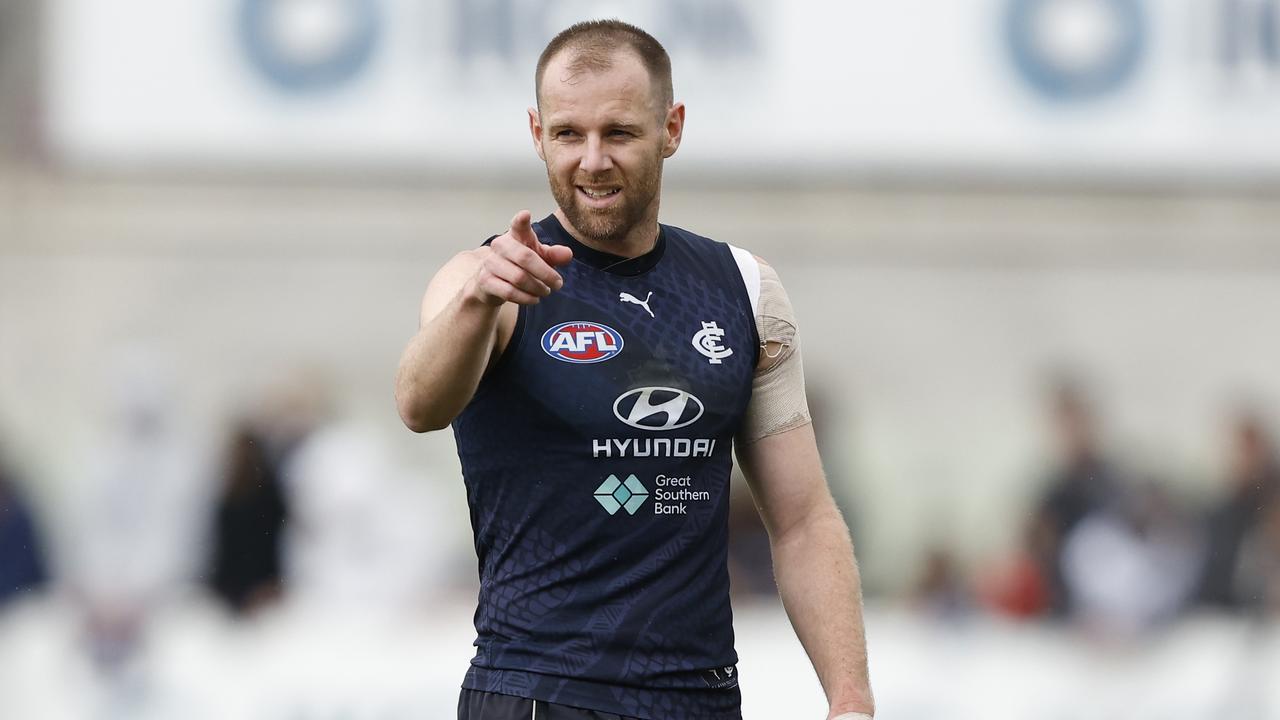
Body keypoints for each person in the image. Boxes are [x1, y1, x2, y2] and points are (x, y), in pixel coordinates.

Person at [395, 20, 873, 720]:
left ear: (672, 128)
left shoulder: (744, 289)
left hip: (699, 698)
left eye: (618, 133)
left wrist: (850, 699)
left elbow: (802, 519)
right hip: (539, 693)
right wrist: (478, 298)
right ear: (536, 133)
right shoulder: (487, 280)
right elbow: (418, 405)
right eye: (567, 134)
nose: (591, 161)